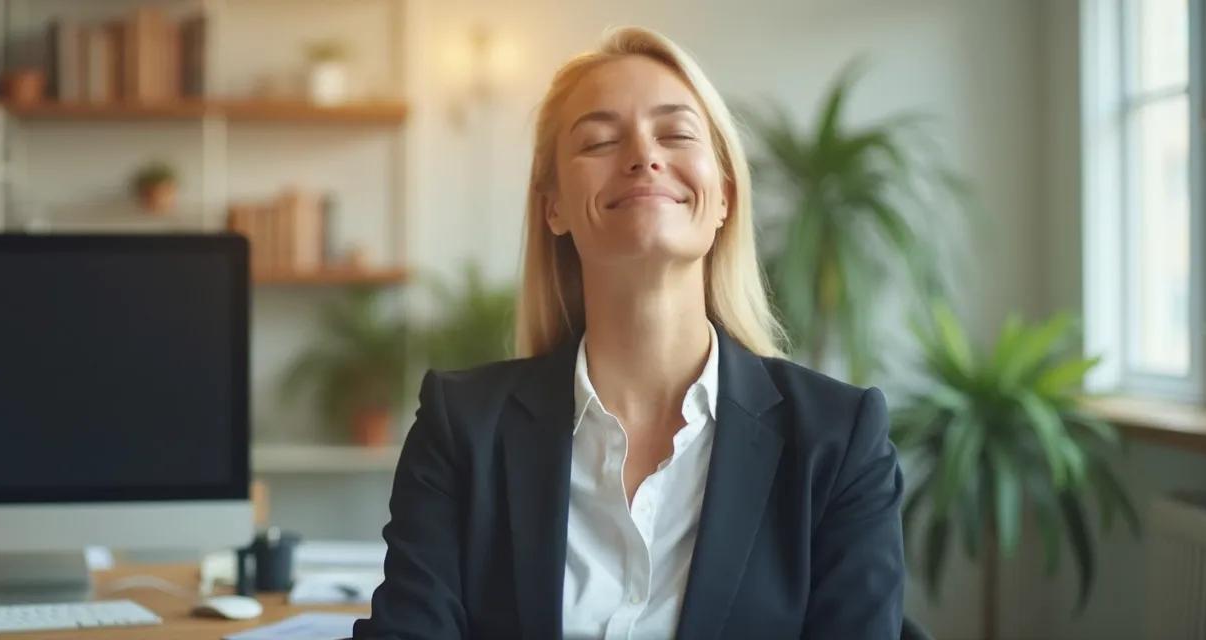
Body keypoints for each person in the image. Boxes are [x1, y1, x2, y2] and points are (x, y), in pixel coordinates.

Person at [353, 25, 904, 640]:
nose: (644, 156)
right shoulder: (462, 429)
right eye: (599, 141)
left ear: (724, 195)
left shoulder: (839, 439)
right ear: (554, 206)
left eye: (676, 134)